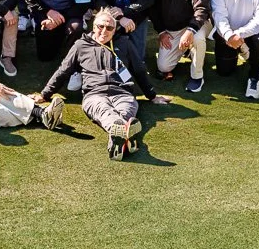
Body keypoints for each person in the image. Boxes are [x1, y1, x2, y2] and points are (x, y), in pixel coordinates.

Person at [36, 9, 171, 160]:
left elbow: (139, 70)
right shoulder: (80, 45)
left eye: (109, 28)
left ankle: (118, 136)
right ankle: (124, 134)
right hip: (94, 95)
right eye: (100, 26)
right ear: (93, 27)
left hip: (123, 93)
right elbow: (63, 71)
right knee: (104, 111)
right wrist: (44, 94)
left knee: (126, 110)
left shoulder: (125, 43)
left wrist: (152, 96)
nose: (104, 31)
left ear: (114, 30)